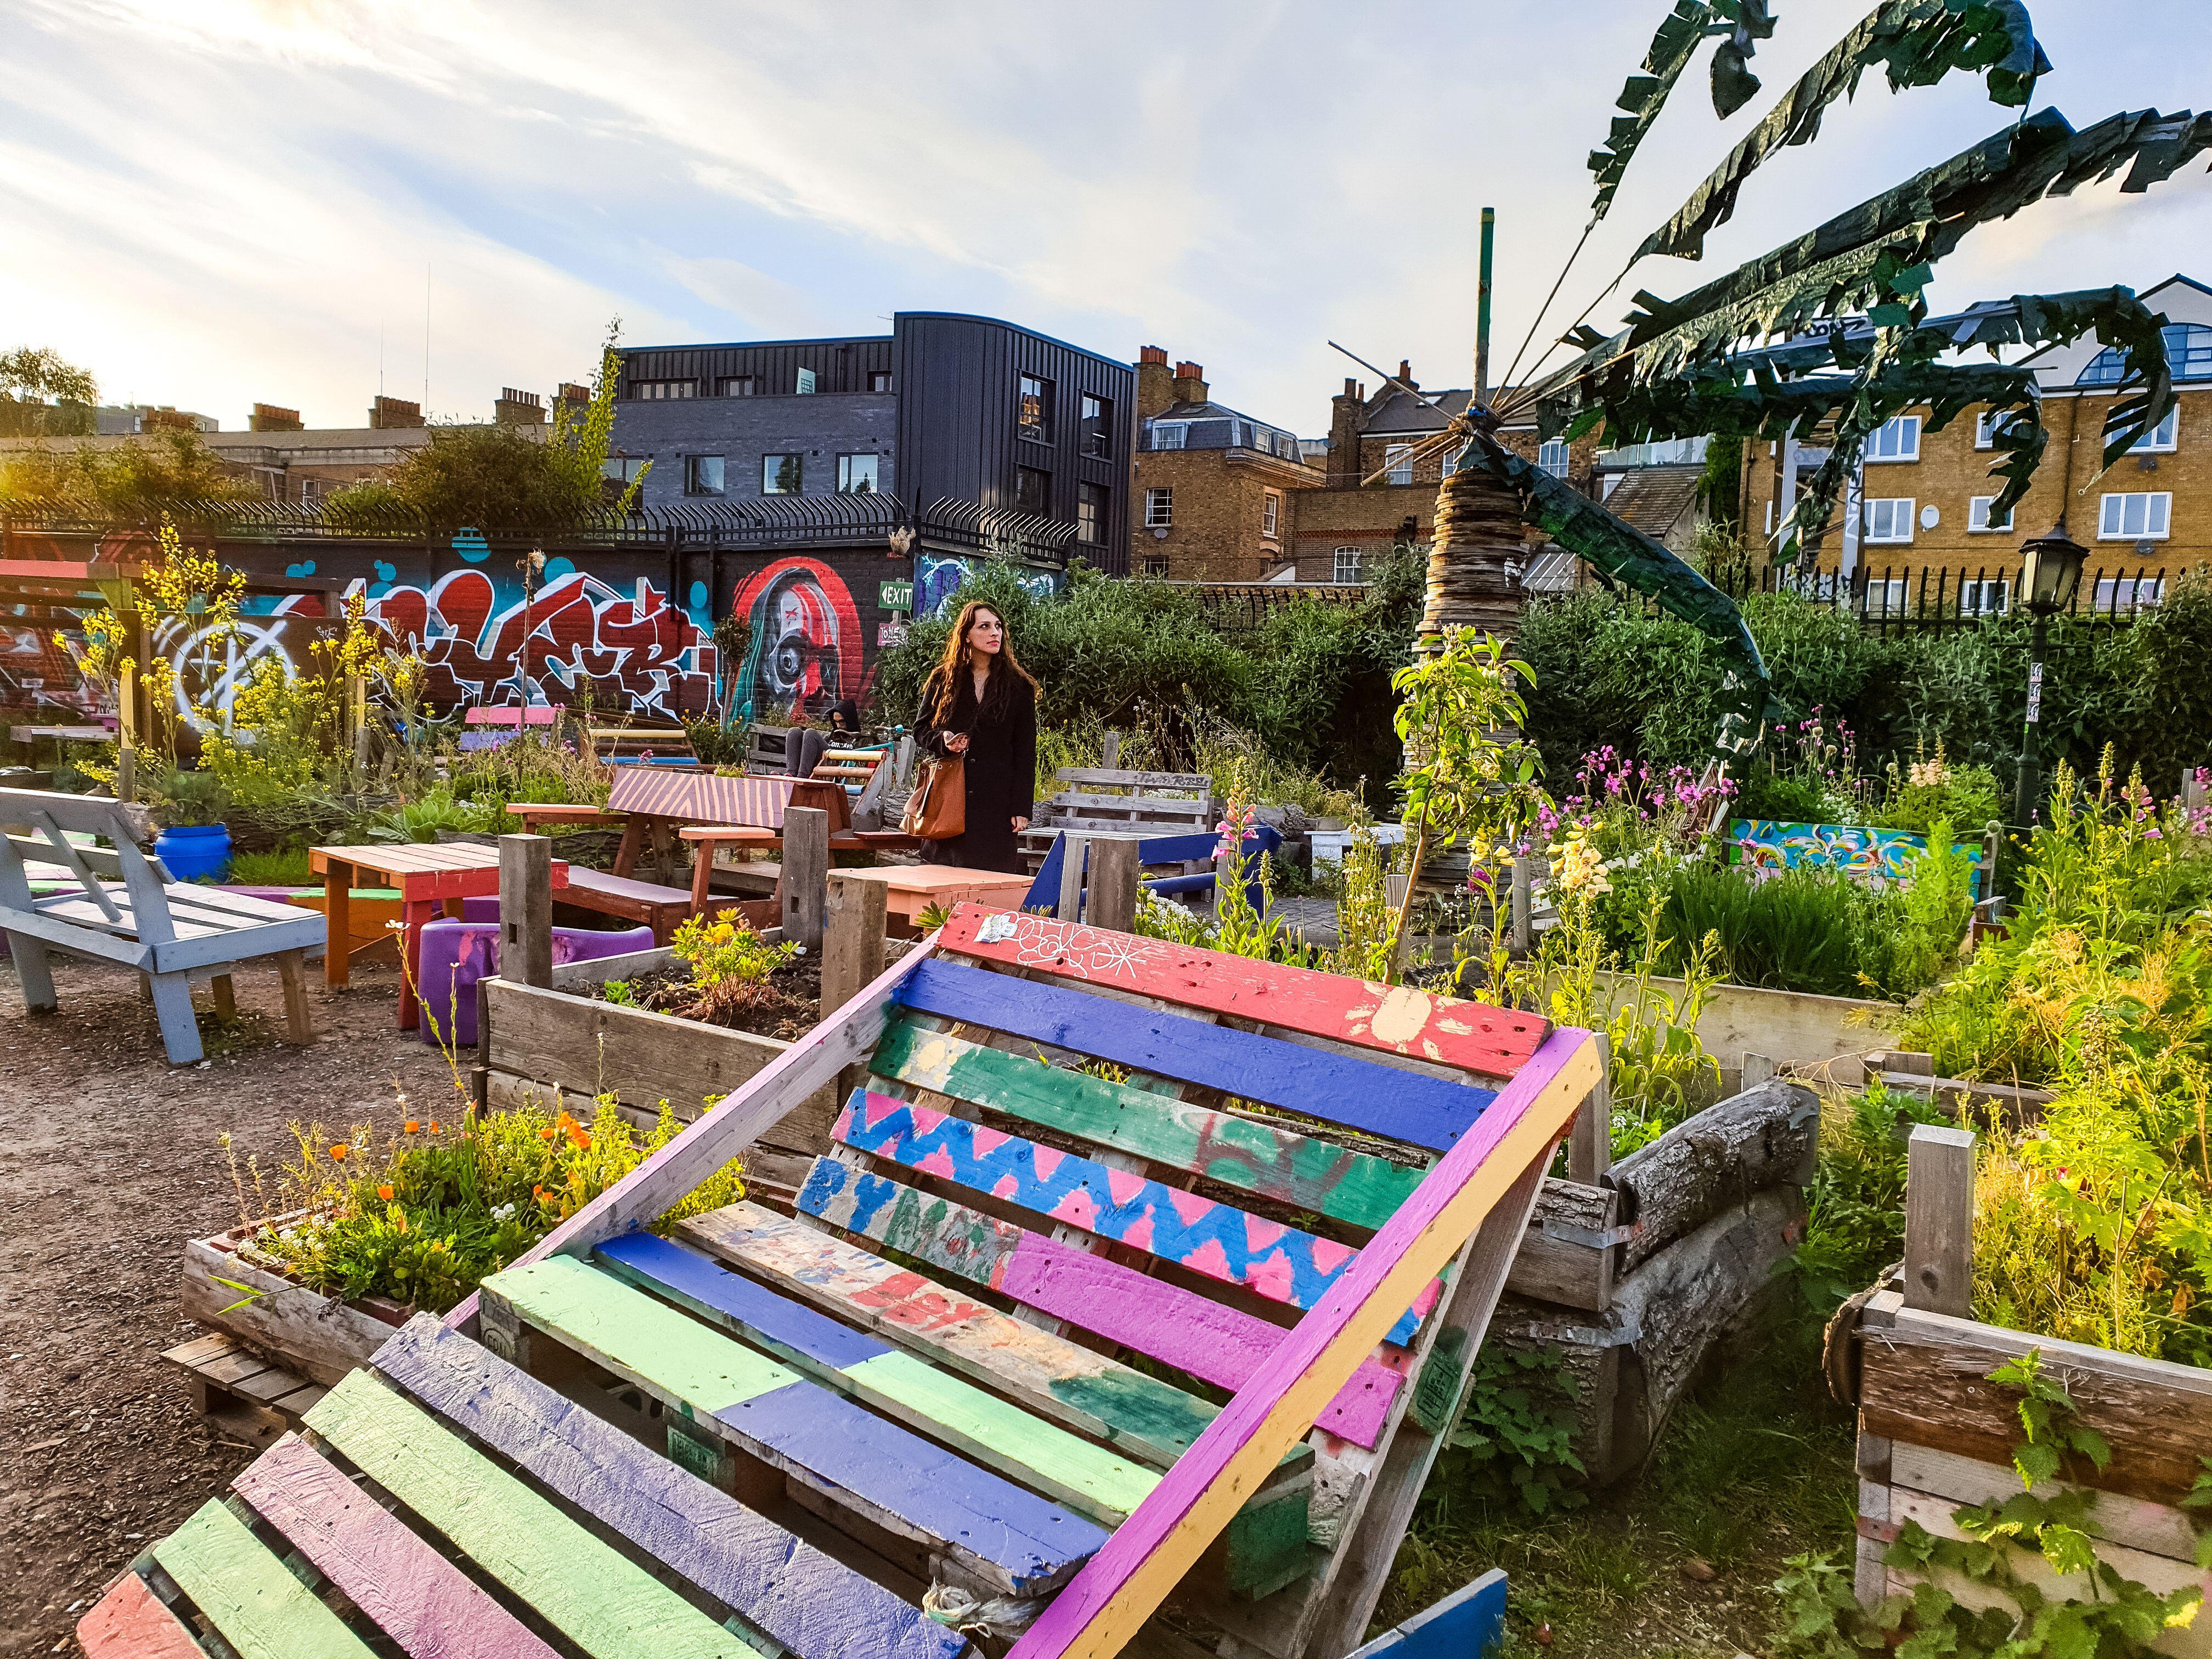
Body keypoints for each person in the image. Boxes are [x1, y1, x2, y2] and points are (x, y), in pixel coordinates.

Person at [912, 600, 1038, 873]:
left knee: (989, 885)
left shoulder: (1019, 687)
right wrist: (943, 741)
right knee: (943, 882)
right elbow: (920, 731)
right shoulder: (943, 680)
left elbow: (1026, 752)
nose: (995, 633)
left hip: (996, 804)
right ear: (966, 635)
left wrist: (1021, 807)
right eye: (984, 627)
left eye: (998, 626)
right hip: (950, 797)